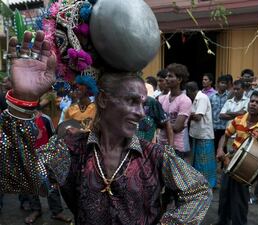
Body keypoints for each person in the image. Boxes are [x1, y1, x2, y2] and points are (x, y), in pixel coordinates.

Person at [0, 30, 212, 225]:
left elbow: (199, 191)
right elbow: (20, 178)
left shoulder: (155, 156)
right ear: (102, 100)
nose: (140, 112)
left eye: (142, 103)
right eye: (131, 101)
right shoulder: (70, 149)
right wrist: (22, 102)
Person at [215, 90, 258, 225]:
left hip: (246, 170)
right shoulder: (238, 120)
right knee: (224, 198)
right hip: (229, 163)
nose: (253, 104)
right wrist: (220, 149)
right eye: (252, 101)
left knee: (239, 203)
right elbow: (225, 135)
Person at [24, 110, 71, 224]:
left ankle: (57, 211)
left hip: (45, 156)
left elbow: (53, 137)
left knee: (51, 184)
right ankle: (35, 210)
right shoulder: (20, 119)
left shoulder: (45, 118)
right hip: (28, 156)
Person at [158, 63, 193, 160]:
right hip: (160, 144)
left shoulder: (185, 101)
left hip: (176, 147)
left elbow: (178, 127)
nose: (167, 79)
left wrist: (161, 123)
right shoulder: (161, 99)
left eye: (170, 76)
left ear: (179, 80)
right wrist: (166, 124)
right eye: (167, 76)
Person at [186, 81, 217, 188]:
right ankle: (199, 183)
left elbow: (198, 116)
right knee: (197, 161)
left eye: (187, 92)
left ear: (190, 91)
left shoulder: (202, 98)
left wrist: (186, 114)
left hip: (204, 135)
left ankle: (208, 184)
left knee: (204, 162)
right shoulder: (196, 99)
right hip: (197, 134)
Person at [209, 75, 229, 155]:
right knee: (214, 148)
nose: (223, 85)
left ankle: (223, 166)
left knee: (224, 149)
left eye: (225, 83)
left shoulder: (229, 97)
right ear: (217, 84)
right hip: (214, 127)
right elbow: (209, 112)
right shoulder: (212, 97)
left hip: (225, 127)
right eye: (221, 83)